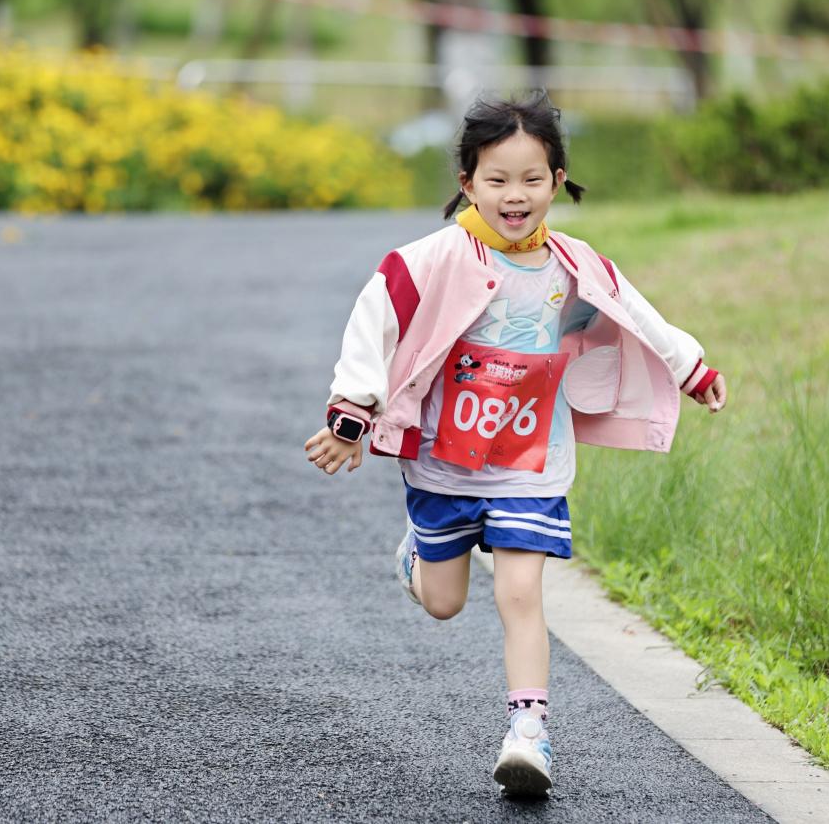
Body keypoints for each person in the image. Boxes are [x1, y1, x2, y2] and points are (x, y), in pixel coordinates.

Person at [303, 89, 727, 799]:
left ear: (557, 181)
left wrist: (692, 369)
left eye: (532, 178)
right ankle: (417, 553)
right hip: (444, 461)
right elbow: (373, 323)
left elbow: (637, 314)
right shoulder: (429, 260)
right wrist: (353, 411)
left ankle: (528, 733)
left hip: (532, 462)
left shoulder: (575, 265)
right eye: (497, 179)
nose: (515, 195)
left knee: (521, 592)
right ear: (467, 182)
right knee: (443, 602)